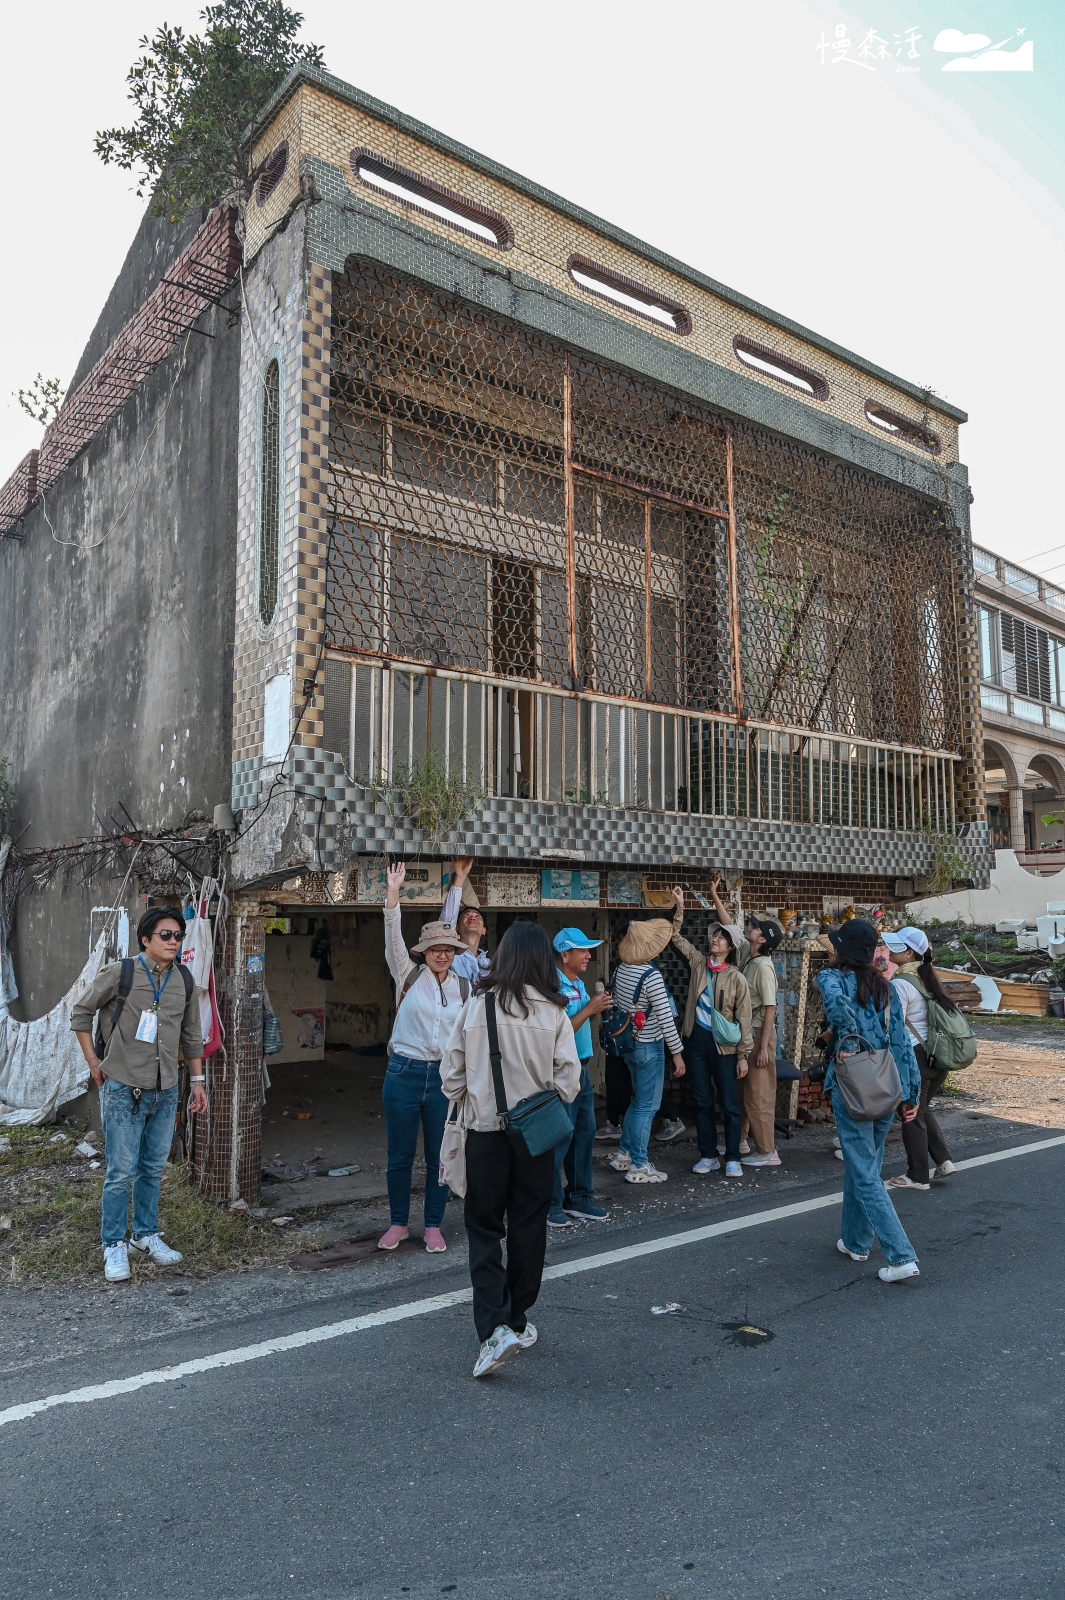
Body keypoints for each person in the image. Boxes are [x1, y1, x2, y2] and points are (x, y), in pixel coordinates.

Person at [441, 922, 581, 1377]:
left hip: (484, 1136)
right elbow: (569, 1084)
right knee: (529, 1227)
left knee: (483, 1229)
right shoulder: (555, 1014)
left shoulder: (475, 1005)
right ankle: (516, 1320)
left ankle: (493, 1329)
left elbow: (451, 1076)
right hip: (535, 1138)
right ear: (543, 959)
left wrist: (479, 1092)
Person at [72, 907, 206, 1284]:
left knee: (152, 1168)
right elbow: (80, 1012)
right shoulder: (122, 973)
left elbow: (192, 1035)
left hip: (165, 1090)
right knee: (120, 1172)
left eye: (178, 936)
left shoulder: (183, 978)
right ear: (146, 939)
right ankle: (113, 1243)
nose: (174, 942)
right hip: (122, 1087)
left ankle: (144, 1235)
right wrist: (93, 1061)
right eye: (166, 935)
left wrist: (197, 1082)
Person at [817, 919, 923, 1283]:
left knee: (864, 1173)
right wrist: (911, 1095)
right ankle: (856, 1240)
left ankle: (901, 1255)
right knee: (864, 1168)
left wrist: (846, 1031)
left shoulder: (831, 979)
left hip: (853, 1086)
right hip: (886, 1085)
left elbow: (837, 1011)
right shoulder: (887, 987)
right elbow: (901, 1044)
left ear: (841, 950)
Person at [381, 861, 469, 1254]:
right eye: (436, 949)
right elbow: (393, 935)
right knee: (399, 1156)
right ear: (424, 952)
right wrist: (394, 892)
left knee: (441, 1156)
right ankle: (398, 1222)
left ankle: (433, 1224)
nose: (442, 955)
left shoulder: (466, 988)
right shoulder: (408, 974)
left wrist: (458, 883)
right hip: (403, 1072)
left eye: (448, 949)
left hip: (445, 1079)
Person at [671, 889, 753, 1178]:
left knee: (729, 1104)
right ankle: (708, 1155)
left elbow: (745, 1019)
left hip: (726, 1048)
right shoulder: (697, 963)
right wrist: (679, 908)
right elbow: (674, 938)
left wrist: (743, 1056)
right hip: (696, 1042)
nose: (714, 939)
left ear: (730, 946)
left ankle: (732, 1156)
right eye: (714, 935)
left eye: (720, 937)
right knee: (703, 1102)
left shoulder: (736, 978)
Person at [607, 919, 686, 1184]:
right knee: (647, 1106)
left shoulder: (621, 970)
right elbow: (665, 1018)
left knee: (637, 1103)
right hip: (649, 1046)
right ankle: (639, 1165)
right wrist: (677, 1053)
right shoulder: (650, 976)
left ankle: (624, 1154)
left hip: (630, 1045)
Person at [882, 927, 959, 1190]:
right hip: (938, 1057)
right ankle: (944, 1160)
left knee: (910, 1113)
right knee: (921, 1109)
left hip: (915, 1058)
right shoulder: (928, 979)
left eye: (895, 947)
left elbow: (892, 1025)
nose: (889, 951)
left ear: (909, 953)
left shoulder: (901, 983)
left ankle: (917, 1176)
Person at [548, 929, 613, 1227]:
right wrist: (590, 1008)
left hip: (582, 1068)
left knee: (585, 1134)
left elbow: (584, 1020)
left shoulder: (577, 982)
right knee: (560, 1137)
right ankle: (550, 1204)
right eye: (583, 951)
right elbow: (558, 1032)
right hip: (563, 1070)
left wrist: (597, 1009)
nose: (589, 955)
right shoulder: (553, 985)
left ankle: (579, 1196)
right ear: (565, 955)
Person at [441, 857, 491, 985]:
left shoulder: (490, 966)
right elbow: (445, 927)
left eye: (478, 916)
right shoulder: (449, 959)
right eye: (467, 915)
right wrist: (460, 878)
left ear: (484, 930)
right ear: (456, 927)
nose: (473, 917)